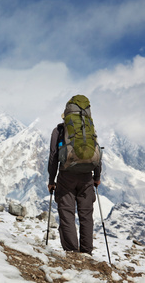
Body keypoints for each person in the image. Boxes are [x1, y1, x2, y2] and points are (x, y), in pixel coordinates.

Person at [48, 96, 102, 255]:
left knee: (67, 214)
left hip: (66, 176)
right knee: (86, 216)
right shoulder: (90, 129)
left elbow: (53, 157)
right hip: (86, 177)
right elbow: (97, 154)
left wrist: (51, 180)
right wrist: (96, 177)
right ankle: (86, 253)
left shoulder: (59, 130)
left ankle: (72, 253)